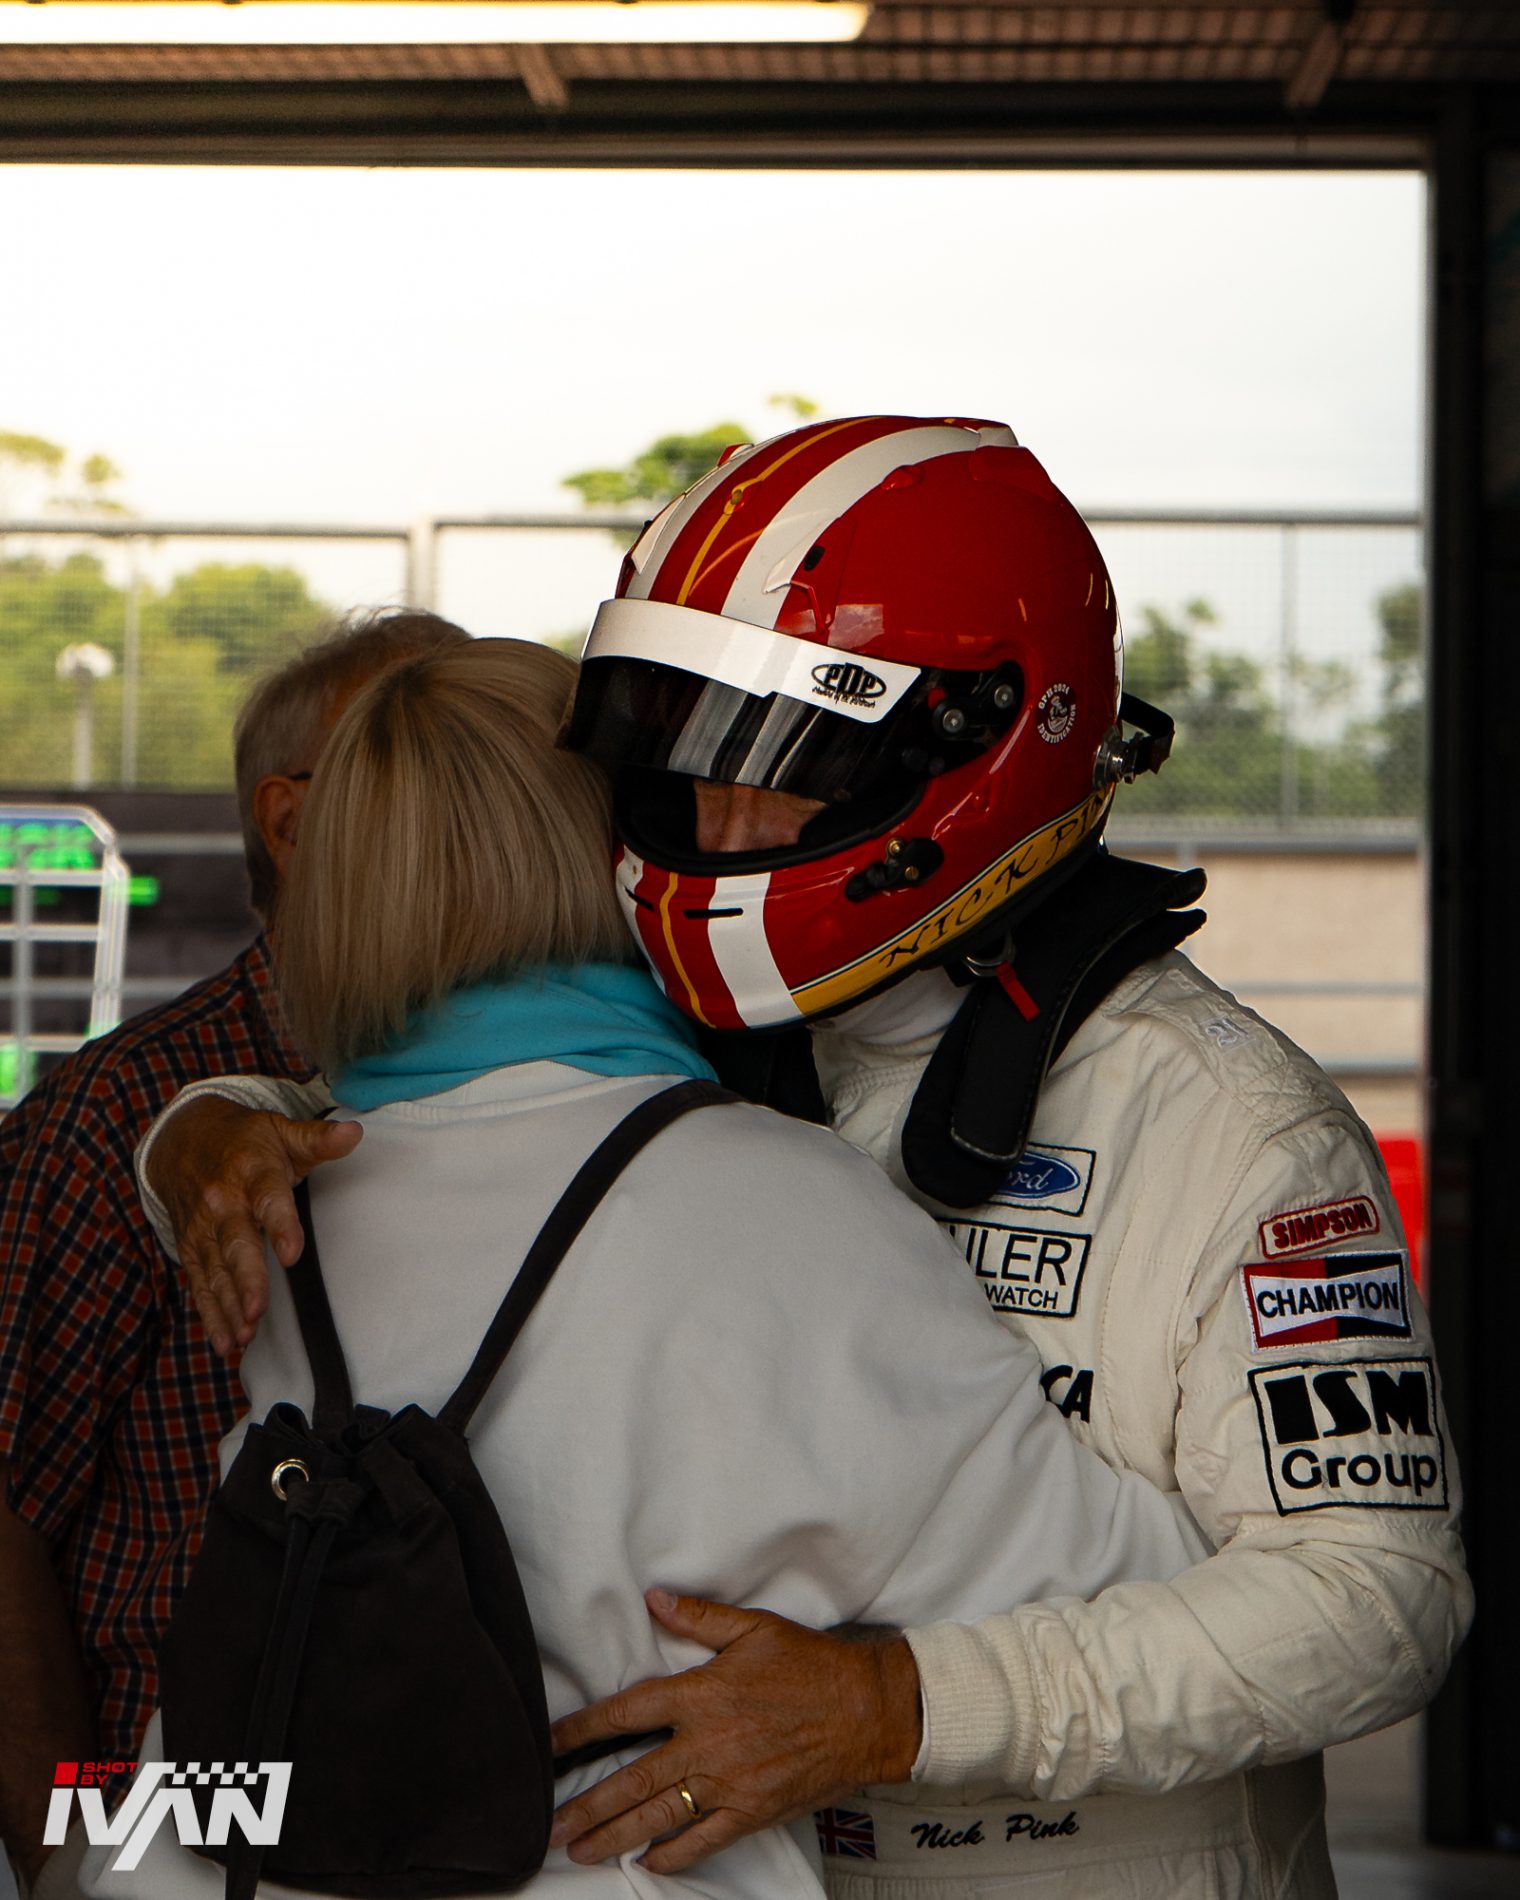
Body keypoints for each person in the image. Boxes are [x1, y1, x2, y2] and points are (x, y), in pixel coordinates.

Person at [138, 418, 1472, 1900]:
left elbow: (1378, 1601)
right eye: (683, 757)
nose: (718, 822)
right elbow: (460, 1121)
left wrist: (900, 1707)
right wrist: (202, 1127)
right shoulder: (723, 1035)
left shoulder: (1225, 1123)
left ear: (973, 752)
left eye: (790, 763)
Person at [86, 636, 1209, 1900]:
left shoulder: (264, 1190)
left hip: (202, 1862)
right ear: (620, 843)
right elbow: (1136, 1579)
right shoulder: (780, 1201)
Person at [0, 608, 468, 1898]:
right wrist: (73, 1862)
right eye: (427, 767)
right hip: (189, 1817)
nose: (494, 813)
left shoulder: (546, 1078)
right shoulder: (111, 1111)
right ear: (292, 822)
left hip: (458, 1811)